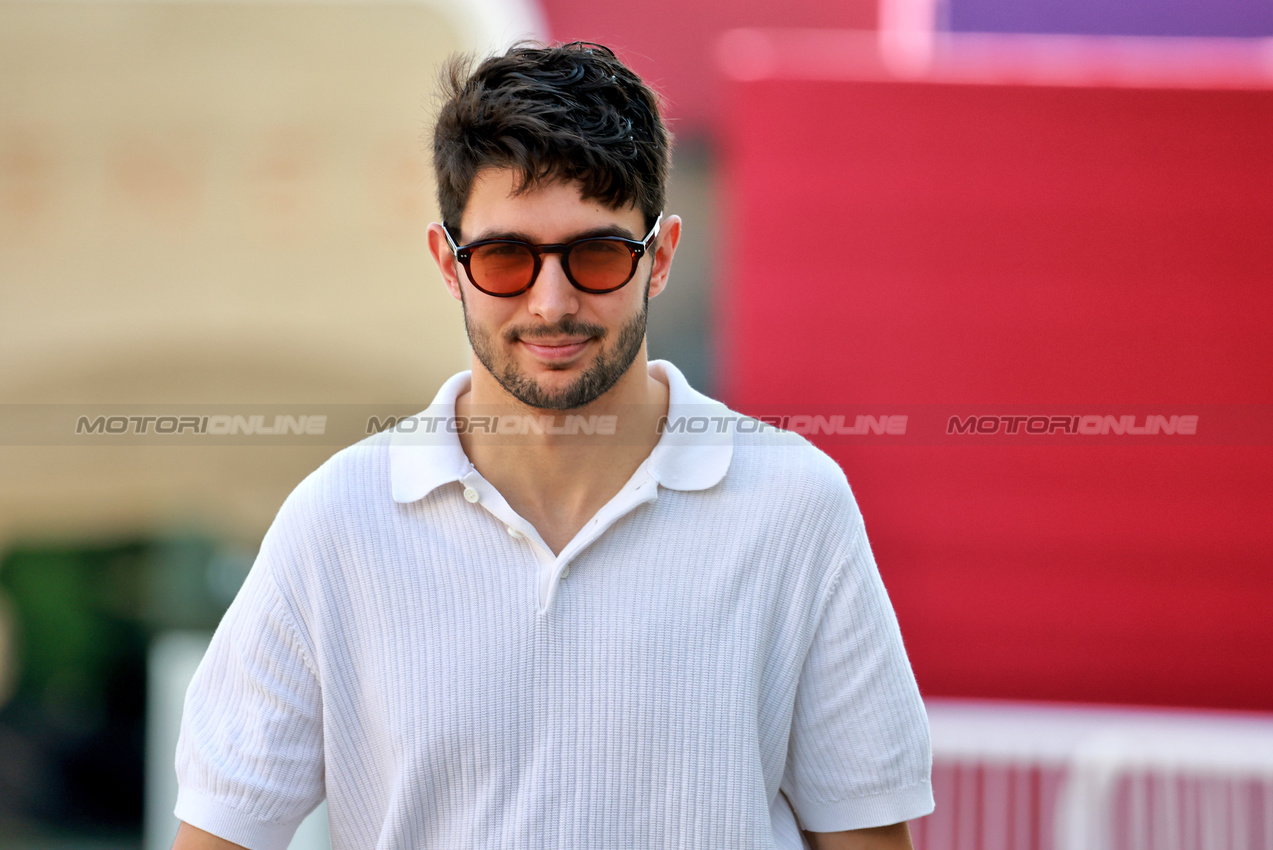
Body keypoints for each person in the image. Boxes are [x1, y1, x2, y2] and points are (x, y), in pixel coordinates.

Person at [171, 42, 933, 850]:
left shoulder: (793, 507)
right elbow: (220, 833)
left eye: (596, 255)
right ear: (448, 263)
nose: (550, 302)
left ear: (661, 256)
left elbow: (863, 837)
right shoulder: (337, 522)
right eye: (504, 258)